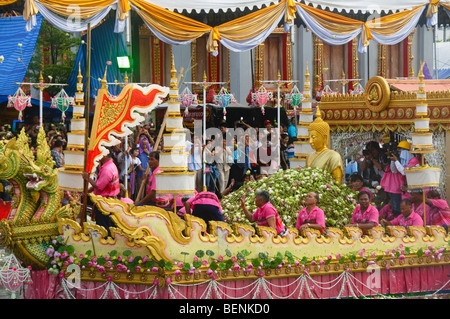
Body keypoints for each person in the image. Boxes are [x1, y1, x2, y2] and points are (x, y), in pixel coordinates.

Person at [82, 152, 120, 235]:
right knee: (106, 224)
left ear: (105, 154)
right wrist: (89, 190)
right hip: (108, 200)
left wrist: (87, 178)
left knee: (103, 226)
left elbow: (99, 187)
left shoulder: (107, 169)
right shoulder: (109, 165)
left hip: (104, 202)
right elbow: (102, 183)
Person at [306, 107, 343, 184]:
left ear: (324, 137)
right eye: (309, 138)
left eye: (313, 137)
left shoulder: (333, 156)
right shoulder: (309, 156)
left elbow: (337, 183)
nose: (310, 141)